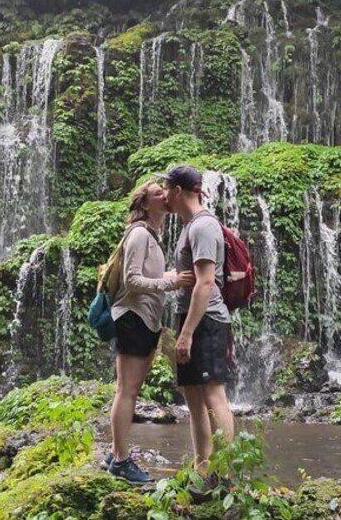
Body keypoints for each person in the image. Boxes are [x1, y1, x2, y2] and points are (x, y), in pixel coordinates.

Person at [106, 180, 195, 484]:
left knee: (129, 390)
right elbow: (132, 280)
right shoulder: (140, 234)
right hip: (133, 318)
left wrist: (174, 276)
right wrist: (171, 282)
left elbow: (148, 276)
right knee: (126, 391)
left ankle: (115, 451)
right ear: (145, 204)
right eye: (158, 193)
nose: (165, 195)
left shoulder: (151, 236)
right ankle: (120, 460)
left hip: (144, 320)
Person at [158, 165, 235, 479]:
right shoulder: (190, 226)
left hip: (207, 321)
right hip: (190, 319)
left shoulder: (203, 226)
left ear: (178, 191)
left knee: (214, 396)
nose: (163, 195)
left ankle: (224, 474)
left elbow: (205, 283)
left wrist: (187, 333)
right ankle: (203, 470)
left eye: (166, 188)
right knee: (193, 399)